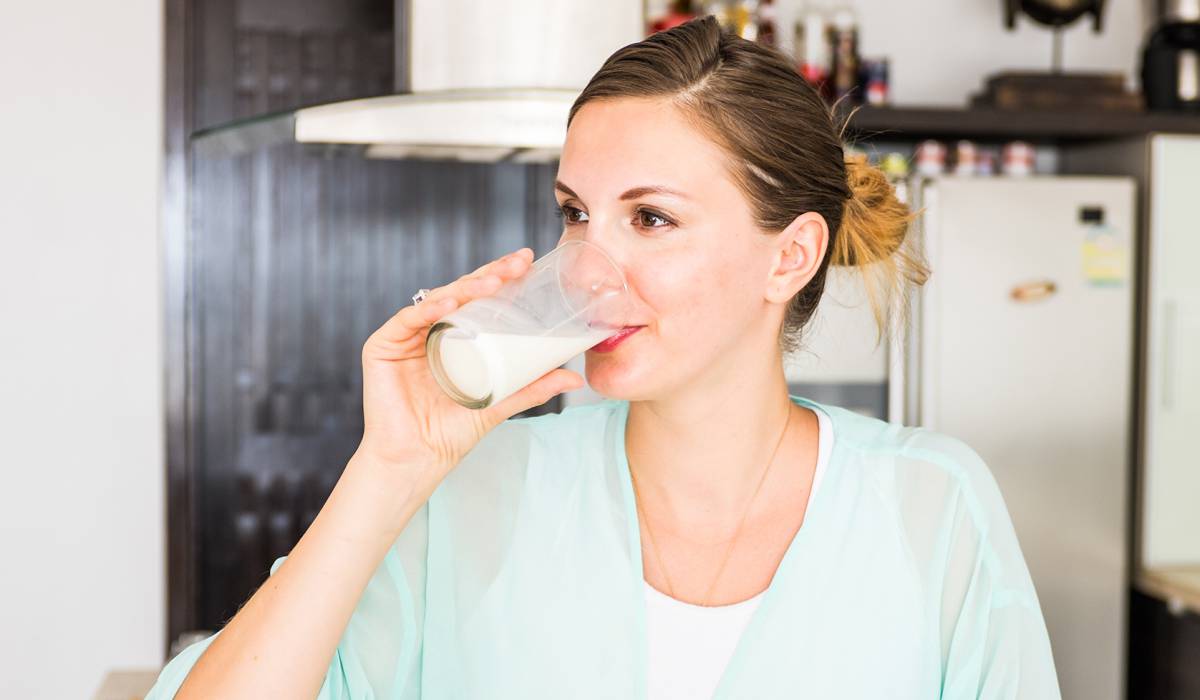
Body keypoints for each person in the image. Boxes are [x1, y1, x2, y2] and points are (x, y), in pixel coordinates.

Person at [146, 15, 1061, 700]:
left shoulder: (932, 506)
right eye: (576, 214)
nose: (587, 266)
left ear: (790, 257)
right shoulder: (474, 492)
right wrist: (388, 470)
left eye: (651, 218)